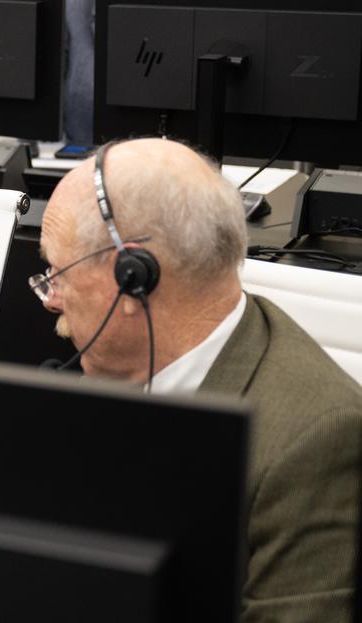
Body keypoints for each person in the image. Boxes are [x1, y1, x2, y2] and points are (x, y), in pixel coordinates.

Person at [35, 137, 360, 623]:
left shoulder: (314, 440)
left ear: (133, 277)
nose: (49, 299)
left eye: (56, 273)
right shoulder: (94, 383)